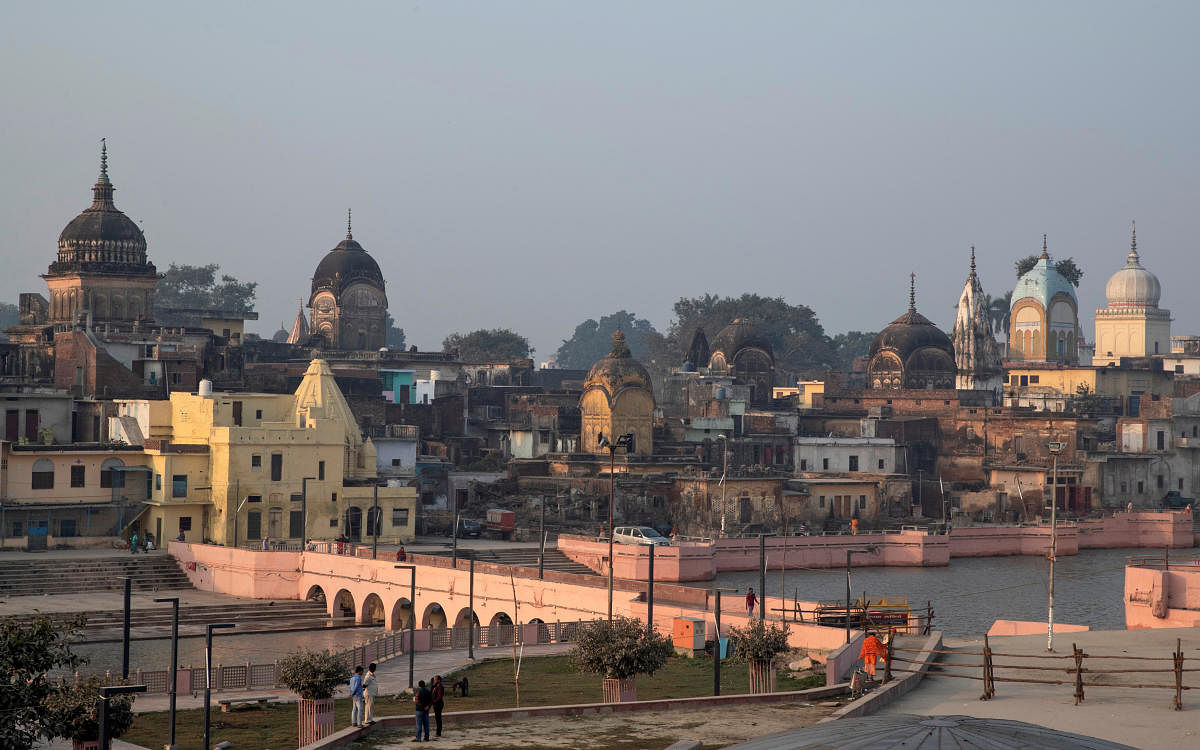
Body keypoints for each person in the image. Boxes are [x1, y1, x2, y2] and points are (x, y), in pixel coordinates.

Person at [430, 674, 445, 738]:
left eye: (435, 679)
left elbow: (439, 696)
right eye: (434, 679)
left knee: (438, 718)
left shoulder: (440, 687)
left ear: (438, 680)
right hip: (435, 704)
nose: (434, 680)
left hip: (438, 704)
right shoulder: (435, 686)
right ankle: (438, 732)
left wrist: (434, 701)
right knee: (437, 718)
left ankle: (438, 733)